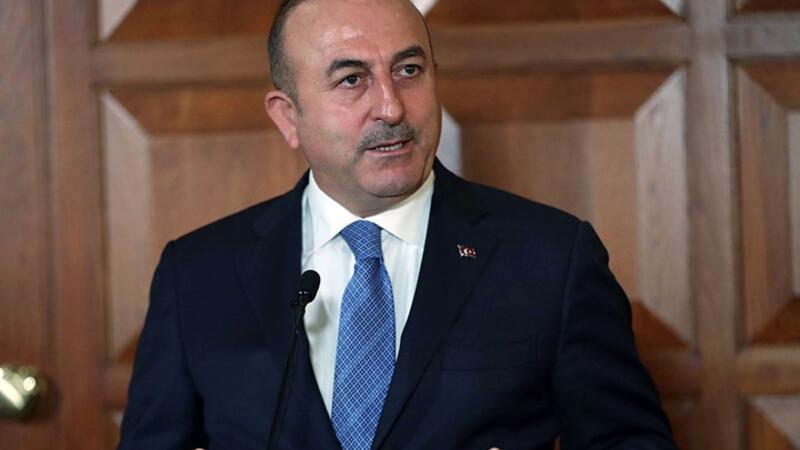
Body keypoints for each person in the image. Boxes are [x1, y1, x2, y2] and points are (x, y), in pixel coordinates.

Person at [117, 0, 678, 449]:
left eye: (409, 71)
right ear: (288, 117)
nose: (391, 107)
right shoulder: (197, 276)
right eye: (351, 79)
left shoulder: (551, 258)